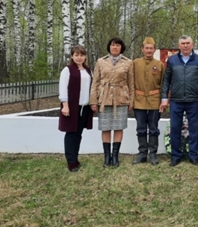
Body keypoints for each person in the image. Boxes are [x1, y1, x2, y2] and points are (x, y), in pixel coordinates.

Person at [160, 35, 198, 167]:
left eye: (188, 43)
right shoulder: (172, 60)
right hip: (176, 100)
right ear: (179, 45)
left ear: (192, 44)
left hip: (193, 100)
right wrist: (164, 98)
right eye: (183, 43)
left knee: (194, 129)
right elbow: (166, 81)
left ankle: (193, 156)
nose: (185, 45)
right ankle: (176, 156)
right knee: (175, 129)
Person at [90, 37, 134, 168]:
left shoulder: (128, 62)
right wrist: (93, 100)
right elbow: (95, 82)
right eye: (113, 45)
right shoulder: (101, 61)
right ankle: (106, 156)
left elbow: (131, 83)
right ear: (109, 47)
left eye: (118, 45)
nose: (115, 47)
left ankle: (115, 156)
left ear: (121, 48)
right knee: (106, 127)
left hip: (121, 99)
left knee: (119, 127)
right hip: (104, 98)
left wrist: (131, 101)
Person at [58, 45, 93, 172]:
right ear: (72, 56)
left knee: (78, 134)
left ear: (85, 57)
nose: (79, 58)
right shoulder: (67, 70)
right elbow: (63, 89)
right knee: (71, 134)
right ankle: (71, 161)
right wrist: (65, 105)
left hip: (85, 107)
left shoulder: (88, 70)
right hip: (71, 107)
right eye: (76, 55)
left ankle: (75, 158)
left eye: (81, 55)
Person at [132, 37, 165, 165]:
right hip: (138, 100)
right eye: (146, 48)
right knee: (140, 128)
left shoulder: (160, 65)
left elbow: (163, 84)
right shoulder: (135, 63)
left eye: (151, 48)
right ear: (142, 49)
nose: (149, 50)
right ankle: (142, 153)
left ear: (154, 49)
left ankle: (152, 153)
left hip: (154, 101)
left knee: (153, 129)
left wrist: (163, 101)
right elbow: (131, 81)